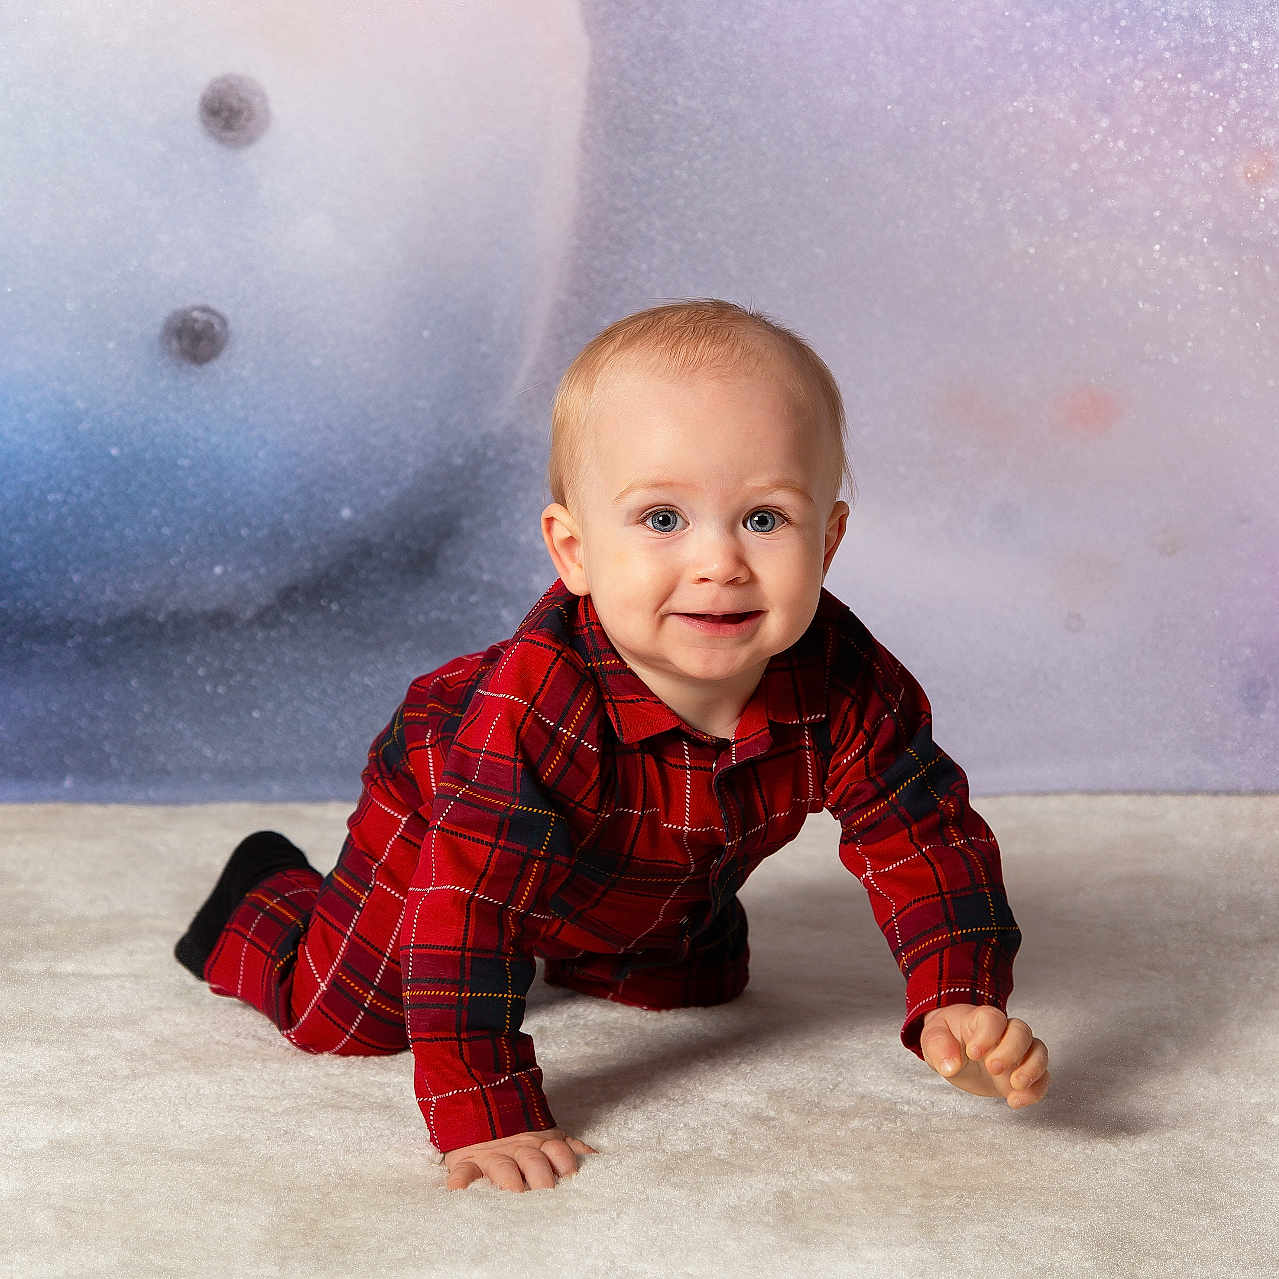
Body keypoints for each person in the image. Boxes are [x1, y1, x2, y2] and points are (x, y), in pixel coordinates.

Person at [174, 298, 1051, 1194]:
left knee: (690, 987)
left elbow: (926, 841)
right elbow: (468, 911)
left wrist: (956, 995)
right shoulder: (528, 707)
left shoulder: (850, 681)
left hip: (646, 859)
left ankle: (616, 936)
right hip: (446, 810)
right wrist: (485, 1104)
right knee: (349, 1015)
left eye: (763, 519)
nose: (719, 563)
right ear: (575, 550)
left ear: (826, 541)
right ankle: (262, 899)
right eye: (662, 519)